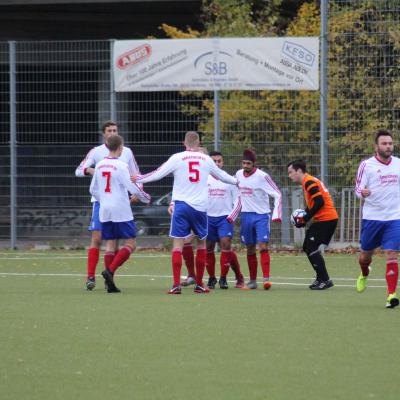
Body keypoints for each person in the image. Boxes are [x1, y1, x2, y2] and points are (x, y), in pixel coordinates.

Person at [133, 131, 238, 294]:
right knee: (202, 244)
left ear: (184, 143)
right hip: (200, 208)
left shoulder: (177, 158)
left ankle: (175, 285)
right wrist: (237, 181)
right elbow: (222, 176)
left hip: (181, 206)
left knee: (178, 245)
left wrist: (138, 178)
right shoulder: (206, 159)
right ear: (198, 143)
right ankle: (199, 284)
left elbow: (157, 174)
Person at [75, 120, 140, 291]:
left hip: (119, 202)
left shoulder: (126, 152)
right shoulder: (96, 152)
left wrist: (135, 192)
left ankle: (109, 278)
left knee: (113, 242)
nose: (112, 132)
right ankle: (90, 276)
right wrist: (90, 170)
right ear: (104, 133)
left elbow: (136, 175)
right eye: (109, 130)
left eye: (115, 130)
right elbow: (79, 170)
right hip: (100, 201)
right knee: (97, 239)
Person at [89, 135, 151, 293]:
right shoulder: (122, 165)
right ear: (121, 147)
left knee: (110, 244)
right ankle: (110, 271)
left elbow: (92, 190)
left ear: (107, 146)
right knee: (130, 244)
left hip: (104, 208)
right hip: (121, 209)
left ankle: (109, 283)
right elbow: (133, 188)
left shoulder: (101, 165)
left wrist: (104, 199)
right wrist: (145, 198)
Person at [354, 129, 400, 308]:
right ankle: (364, 273)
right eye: (384, 143)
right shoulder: (367, 165)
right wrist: (362, 193)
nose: (388, 146)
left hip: (394, 218)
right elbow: (358, 189)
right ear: (376, 146)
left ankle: (391, 295)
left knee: (392, 254)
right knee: (365, 256)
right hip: (372, 218)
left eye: (390, 143)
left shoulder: (398, 163)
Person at [287, 159, 338, 290]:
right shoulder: (307, 182)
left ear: (299, 170)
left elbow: (319, 201)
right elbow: (313, 204)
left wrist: (305, 218)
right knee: (308, 246)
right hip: (324, 219)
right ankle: (321, 278)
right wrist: (304, 216)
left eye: (291, 172)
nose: (289, 175)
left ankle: (325, 279)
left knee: (310, 246)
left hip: (327, 219)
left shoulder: (309, 182)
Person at [236, 149, 282, 290]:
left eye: (248, 163)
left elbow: (277, 193)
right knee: (250, 248)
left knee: (263, 246)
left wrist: (276, 214)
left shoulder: (262, 176)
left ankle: (266, 279)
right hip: (245, 216)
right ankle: (252, 281)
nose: (245, 166)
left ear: (254, 164)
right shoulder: (238, 174)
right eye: (244, 163)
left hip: (261, 216)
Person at [206, 151, 244, 289]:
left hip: (224, 218)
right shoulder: (203, 179)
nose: (217, 163)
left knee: (226, 244)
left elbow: (238, 201)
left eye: (219, 161)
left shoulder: (230, 179)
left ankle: (223, 278)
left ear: (223, 162)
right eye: (214, 161)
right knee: (208, 247)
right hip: (208, 218)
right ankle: (211, 278)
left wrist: (231, 216)